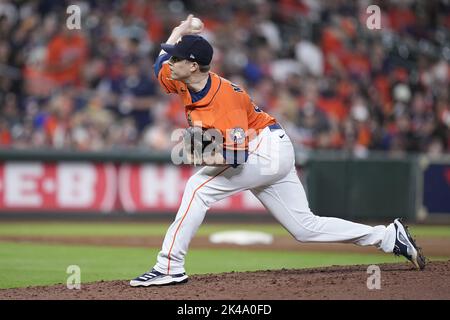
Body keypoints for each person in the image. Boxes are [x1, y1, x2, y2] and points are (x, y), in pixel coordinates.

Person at [130, 15, 426, 287]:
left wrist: (200, 156)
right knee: (305, 228)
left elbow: (236, 159)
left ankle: (169, 266)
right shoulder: (181, 78)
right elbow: (159, 63)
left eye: (177, 58)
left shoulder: (225, 101)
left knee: (198, 187)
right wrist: (180, 31)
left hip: (265, 150)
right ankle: (388, 236)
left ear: (193, 66)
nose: (171, 62)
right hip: (271, 148)